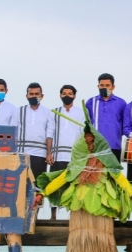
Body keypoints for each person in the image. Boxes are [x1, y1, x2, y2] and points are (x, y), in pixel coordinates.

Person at [47, 84, 84, 220]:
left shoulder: (81, 113)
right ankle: (53, 215)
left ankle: (73, 215)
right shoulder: (55, 112)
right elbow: (49, 133)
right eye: (64, 93)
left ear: (74, 95)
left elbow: (83, 134)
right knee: (55, 184)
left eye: (70, 93)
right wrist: (49, 153)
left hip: (73, 156)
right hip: (57, 155)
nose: (67, 95)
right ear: (60, 95)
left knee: (73, 185)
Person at [16, 82, 53, 190]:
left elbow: (49, 134)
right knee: (21, 187)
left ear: (42, 96)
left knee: (37, 187)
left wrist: (49, 153)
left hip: (40, 155)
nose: (34, 96)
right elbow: (13, 132)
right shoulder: (19, 111)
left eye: (37, 94)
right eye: (31, 94)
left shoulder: (48, 113)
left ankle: (35, 208)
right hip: (22, 154)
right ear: (26, 95)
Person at [85, 73, 127, 159]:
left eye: (108, 85)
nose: (105, 87)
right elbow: (87, 124)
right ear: (98, 86)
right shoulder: (91, 102)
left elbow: (125, 125)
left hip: (114, 146)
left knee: (112, 172)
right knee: (96, 172)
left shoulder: (121, 103)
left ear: (113, 87)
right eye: (102, 85)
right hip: (95, 147)